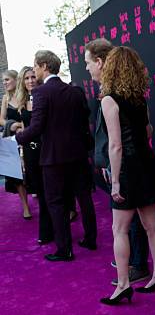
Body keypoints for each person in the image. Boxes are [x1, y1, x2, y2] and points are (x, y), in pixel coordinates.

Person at [16, 50, 97, 261]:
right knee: (84, 197)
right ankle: (91, 239)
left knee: (56, 202)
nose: (34, 71)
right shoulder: (75, 91)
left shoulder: (42, 93)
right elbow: (84, 118)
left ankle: (64, 249)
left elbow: (36, 127)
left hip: (53, 158)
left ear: (44, 66)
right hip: (78, 154)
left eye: (35, 66)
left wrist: (17, 138)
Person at [99, 46, 155, 305]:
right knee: (152, 227)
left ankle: (123, 284)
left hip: (126, 169)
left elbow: (115, 145)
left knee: (119, 229)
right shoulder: (139, 98)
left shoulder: (109, 100)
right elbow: (148, 130)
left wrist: (115, 180)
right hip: (147, 164)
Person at [85, 39, 150, 285]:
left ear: (100, 62)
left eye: (89, 63)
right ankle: (136, 263)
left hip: (124, 167)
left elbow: (117, 142)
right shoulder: (120, 92)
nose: (88, 69)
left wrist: (114, 171)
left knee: (128, 222)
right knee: (139, 222)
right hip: (127, 165)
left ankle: (135, 265)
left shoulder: (114, 96)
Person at [13, 66, 54, 243]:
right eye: (26, 78)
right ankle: (47, 231)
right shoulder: (21, 103)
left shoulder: (42, 97)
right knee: (39, 191)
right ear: (22, 82)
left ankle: (47, 232)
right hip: (30, 152)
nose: (30, 80)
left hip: (45, 149)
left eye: (32, 77)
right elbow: (25, 127)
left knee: (48, 192)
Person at [0, 69, 31, 218]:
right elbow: (1, 119)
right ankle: (25, 206)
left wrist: (22, 126)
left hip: (28, 137)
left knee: (30, 170)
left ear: (15, 79)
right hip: (12, 139)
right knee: (17, 173)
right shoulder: (5, 98)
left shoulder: (24, 96)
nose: (4, 83)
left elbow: (30, 116)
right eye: (3, 81)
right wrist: (12, 125)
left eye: (6, 80)